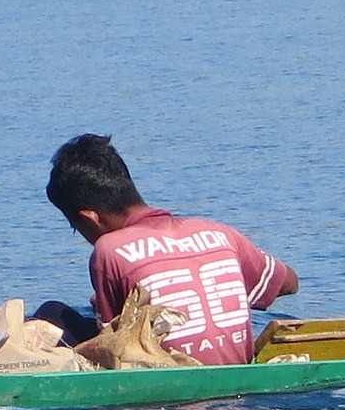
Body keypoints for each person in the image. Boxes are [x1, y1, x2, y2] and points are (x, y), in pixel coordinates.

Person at [40, 134, 299, 365]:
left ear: (90, 218)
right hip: (235, 385)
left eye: (77, 228)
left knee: (53, 313)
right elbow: (289, 283)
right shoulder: (222, 233)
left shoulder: (110, 250)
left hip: (167, 379)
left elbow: (112, 348)